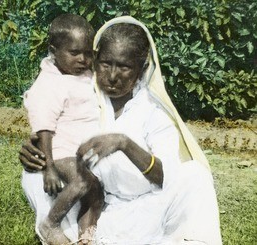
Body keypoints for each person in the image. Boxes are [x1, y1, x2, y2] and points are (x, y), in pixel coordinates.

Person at [20, 16, 222, 244]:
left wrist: (123, 143)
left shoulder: (151, 111)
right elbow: (52, 117)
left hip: (146, 209)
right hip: (94, 209)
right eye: (105, 64)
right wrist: (34, 149)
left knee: (196, 175)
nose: (113, 76)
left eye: (124, 67)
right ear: (95, 60)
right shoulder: (87, 93)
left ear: (141, 68)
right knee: (34, 175)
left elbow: (166, 177)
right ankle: (70, 235)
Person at [22, 13, 103, 244]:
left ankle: (86, 237)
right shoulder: (49, 83)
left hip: (83, 152)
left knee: (94, 189)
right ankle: (50, 223)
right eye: (74, 52)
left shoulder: (84, 75)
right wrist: (49, 168)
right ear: (53, 50)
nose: (83, 60)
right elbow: (44, 128)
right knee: (83, 182)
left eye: (88, 53)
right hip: (62, 152)